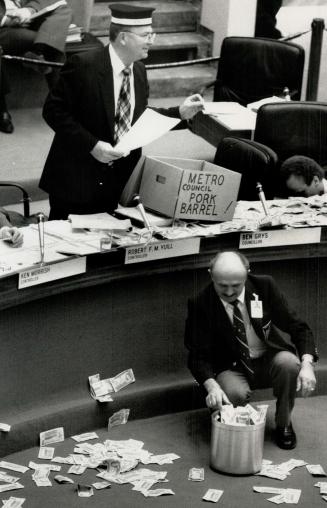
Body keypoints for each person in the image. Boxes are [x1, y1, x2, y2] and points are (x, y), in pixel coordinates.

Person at [39, 3, 204, 220]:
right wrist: (92, 145)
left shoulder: (139, 70)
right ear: (124, 37)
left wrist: (180, 113)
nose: (151, 41)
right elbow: (53, 111)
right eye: (146, 35)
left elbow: (138, 117)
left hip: (118, 184)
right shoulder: (83, 65)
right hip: (76, 182)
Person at [185, 250, 317, 450]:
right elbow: (196, 355)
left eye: (236, 286)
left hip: (268, 357)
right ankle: (234, 424)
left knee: (290, 364)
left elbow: (298, 327)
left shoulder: (264, 286)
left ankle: (284, 424)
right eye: (222, 286)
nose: (229, 293)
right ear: (210, 274)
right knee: (233, 394)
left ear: (247, 273)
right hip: (232, 366)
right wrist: (212, 386)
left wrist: (307, 365)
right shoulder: (200, 303)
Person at [0, 0, 72, 133]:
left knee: (63, 9)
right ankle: (61, 105)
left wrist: (29, 10)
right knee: (52, 38)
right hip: (4, 29)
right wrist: (6, 20)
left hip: (25, 19)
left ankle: (37, 52)